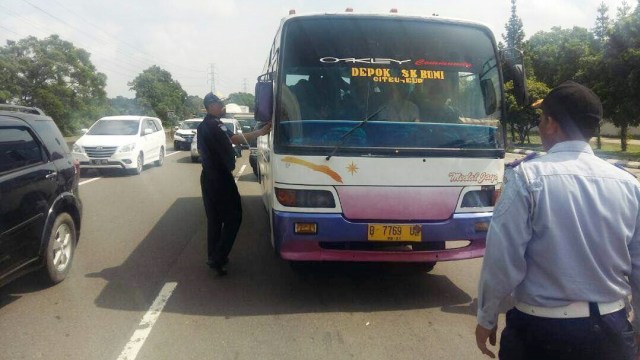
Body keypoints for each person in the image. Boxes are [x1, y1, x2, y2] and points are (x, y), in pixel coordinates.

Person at [475, 81, 640, 359]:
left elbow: (501, 261)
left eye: (542, 118)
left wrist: (486, 318)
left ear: (551, 123)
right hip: (610, 331)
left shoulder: (526, 178)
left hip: (539, 332)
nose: (539, 126)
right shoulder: (628, 184)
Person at [197, 92, 271, 276]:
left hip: (209, 177)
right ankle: (218, 257)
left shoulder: (208, 125)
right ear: (211, 105)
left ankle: (214, 256)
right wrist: (260, 132)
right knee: (234, 217)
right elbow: (231, 140)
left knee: (215, 219)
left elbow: (233, 138)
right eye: (220, 103)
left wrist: (259, 132)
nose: (223, 106)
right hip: (220, 178)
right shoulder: (214, 126)